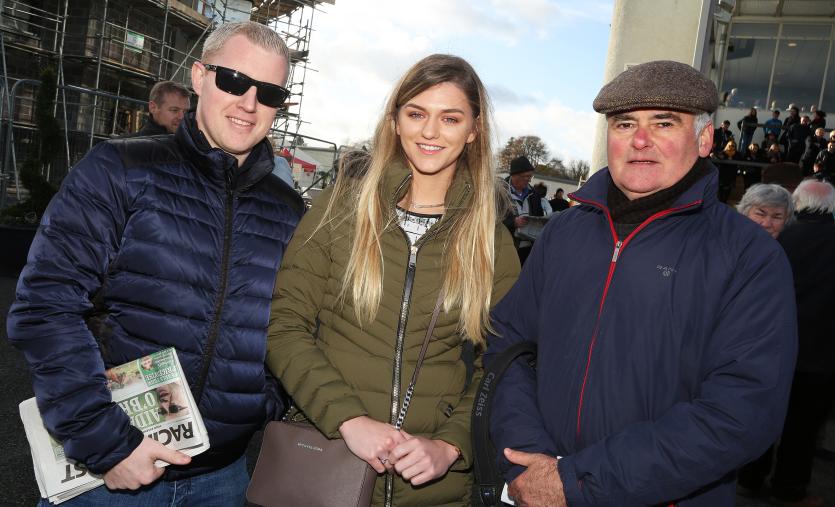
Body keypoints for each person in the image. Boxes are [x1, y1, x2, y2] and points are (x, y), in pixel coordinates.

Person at [7, 21, 304, 506]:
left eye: (268, 93)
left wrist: (259, 402)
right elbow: (44, 307)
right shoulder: (120, 168)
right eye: (233, 81)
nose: (249, 103)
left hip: (224, 477)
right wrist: (106, 443)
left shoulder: (288, 211)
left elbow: (295, 329)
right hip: (109, 474)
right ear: (200, 77)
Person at [485, 60, 797, 506]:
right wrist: (525, 456)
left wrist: (576, 482)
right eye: (624, 123)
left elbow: (741, 413)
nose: (640, 140)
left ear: (704, 138)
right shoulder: (564, 233)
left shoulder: (749, 257)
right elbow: (509, 344)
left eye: (664, 123)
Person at [265, 54, 520, 506]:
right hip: (326, 463)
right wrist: (348, 420)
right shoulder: (340, 209)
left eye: (450, 118)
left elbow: (499, 367)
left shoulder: (490, 240)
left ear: (474, 129)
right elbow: (285, 327)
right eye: (416, 113)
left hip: (434, 490)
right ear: (395, 121)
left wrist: (450, 446)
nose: (430, 132)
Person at [739, 179, 835, 507]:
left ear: (796, 203)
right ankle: (789, 489)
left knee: (763, 420)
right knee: (802, 432)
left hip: (770, 353)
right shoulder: (777, 235)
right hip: (819, 360)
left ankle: (749, 479)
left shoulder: (779, 240)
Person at [503, 155, 547, 264]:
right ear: (514, 175)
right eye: (525, 176)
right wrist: (513, 222)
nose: (528, 180)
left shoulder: (534, 194)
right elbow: (492, 218)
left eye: (530, 176)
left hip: (529, 248)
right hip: (508, 247)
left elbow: (539, 215)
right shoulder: (500, 192)